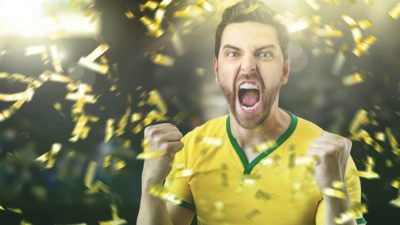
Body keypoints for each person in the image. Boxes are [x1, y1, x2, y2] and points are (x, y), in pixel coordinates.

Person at [137, 1, 366, 225]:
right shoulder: (192, 147)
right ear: (217, 70)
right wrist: (150, 183)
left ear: (285, 70)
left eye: (264, 54)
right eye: (233, 54)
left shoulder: (332, 159)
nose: (248, 67)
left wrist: (334, 192)